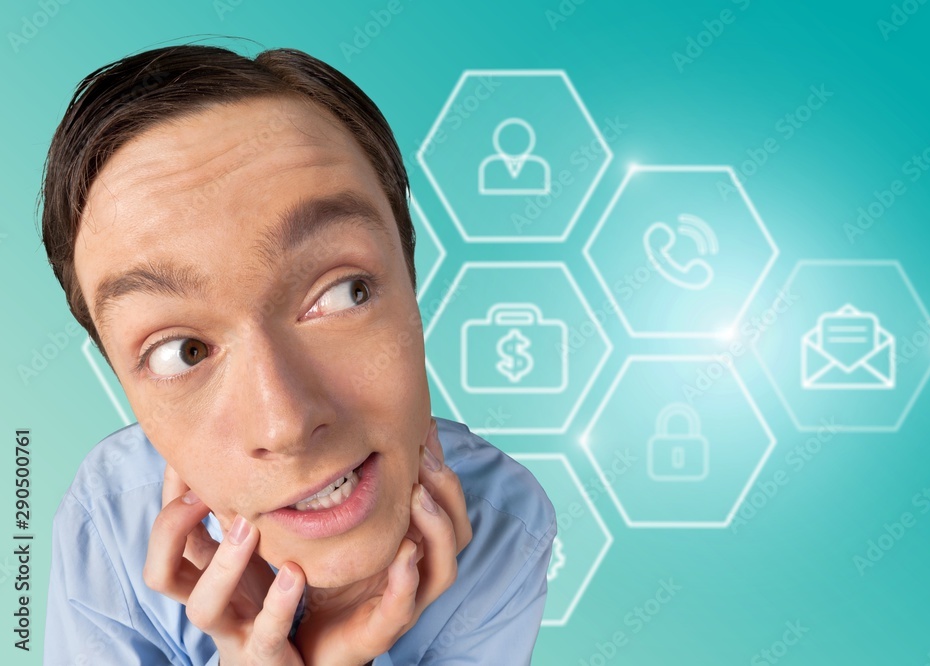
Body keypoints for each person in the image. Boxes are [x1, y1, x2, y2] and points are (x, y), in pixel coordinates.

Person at [39, 44, 556, 665]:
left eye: (343, 293)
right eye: (184, 351)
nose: (285, 424)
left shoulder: (505, 524)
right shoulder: (106, 520)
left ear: (412, 282)